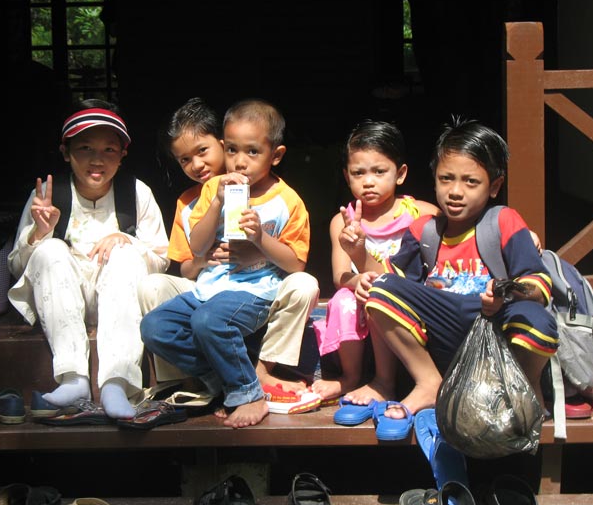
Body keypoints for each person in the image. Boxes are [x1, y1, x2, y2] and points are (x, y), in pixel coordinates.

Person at [342, 118, 558, 425]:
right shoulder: (423, 231)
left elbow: (537, 284)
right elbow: (390, 282)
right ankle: (429, 382)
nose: (455, 191)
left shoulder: (503, 222)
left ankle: (525, 385)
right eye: (446, 179)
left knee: (537, 321)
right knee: (380, 290)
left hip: (494, 327)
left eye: (471, 182)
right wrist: (358, 253)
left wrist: (504, 292)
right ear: (434, 180)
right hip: (444, 334)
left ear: (495, 186)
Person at [141, 98, 311, 428]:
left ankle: (248, 393)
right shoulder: (212, 190)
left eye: (252, 152)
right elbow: (197, 246)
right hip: (209, 288)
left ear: (275, 155)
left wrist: (260, 240)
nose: (239, 161)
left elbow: (297, 264)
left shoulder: (286, 200)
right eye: (232, 150)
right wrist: (218, 200)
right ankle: (220, 378)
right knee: (154, 327)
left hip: (255, 290)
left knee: (208, 321)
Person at [7, 100, 169, 420]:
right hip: (64, 299)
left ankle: (116, 382)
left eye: (109, 150)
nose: (97, 160)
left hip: (120, 294)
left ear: (123, 155)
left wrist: (128, 240)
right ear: (66, 152)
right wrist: (41, 233)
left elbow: (162, 259)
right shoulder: (49, 194)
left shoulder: (136, 192)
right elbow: (17, 266)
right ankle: (74, 378)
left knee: (125, 253)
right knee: (50, 249)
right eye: (85, 148)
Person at [311, 120, 438, 403]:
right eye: (358, 173)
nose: (368, 181)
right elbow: (340, 275)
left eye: (379, 171)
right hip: (362, 298)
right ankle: (351, 377)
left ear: (400, 173)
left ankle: (387, 382)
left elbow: (464, 231)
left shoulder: (421, 213)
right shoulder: (341, 222)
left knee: (383, 295)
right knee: (343, 300)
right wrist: (358, 280)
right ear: (346, 176)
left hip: (407, 302)